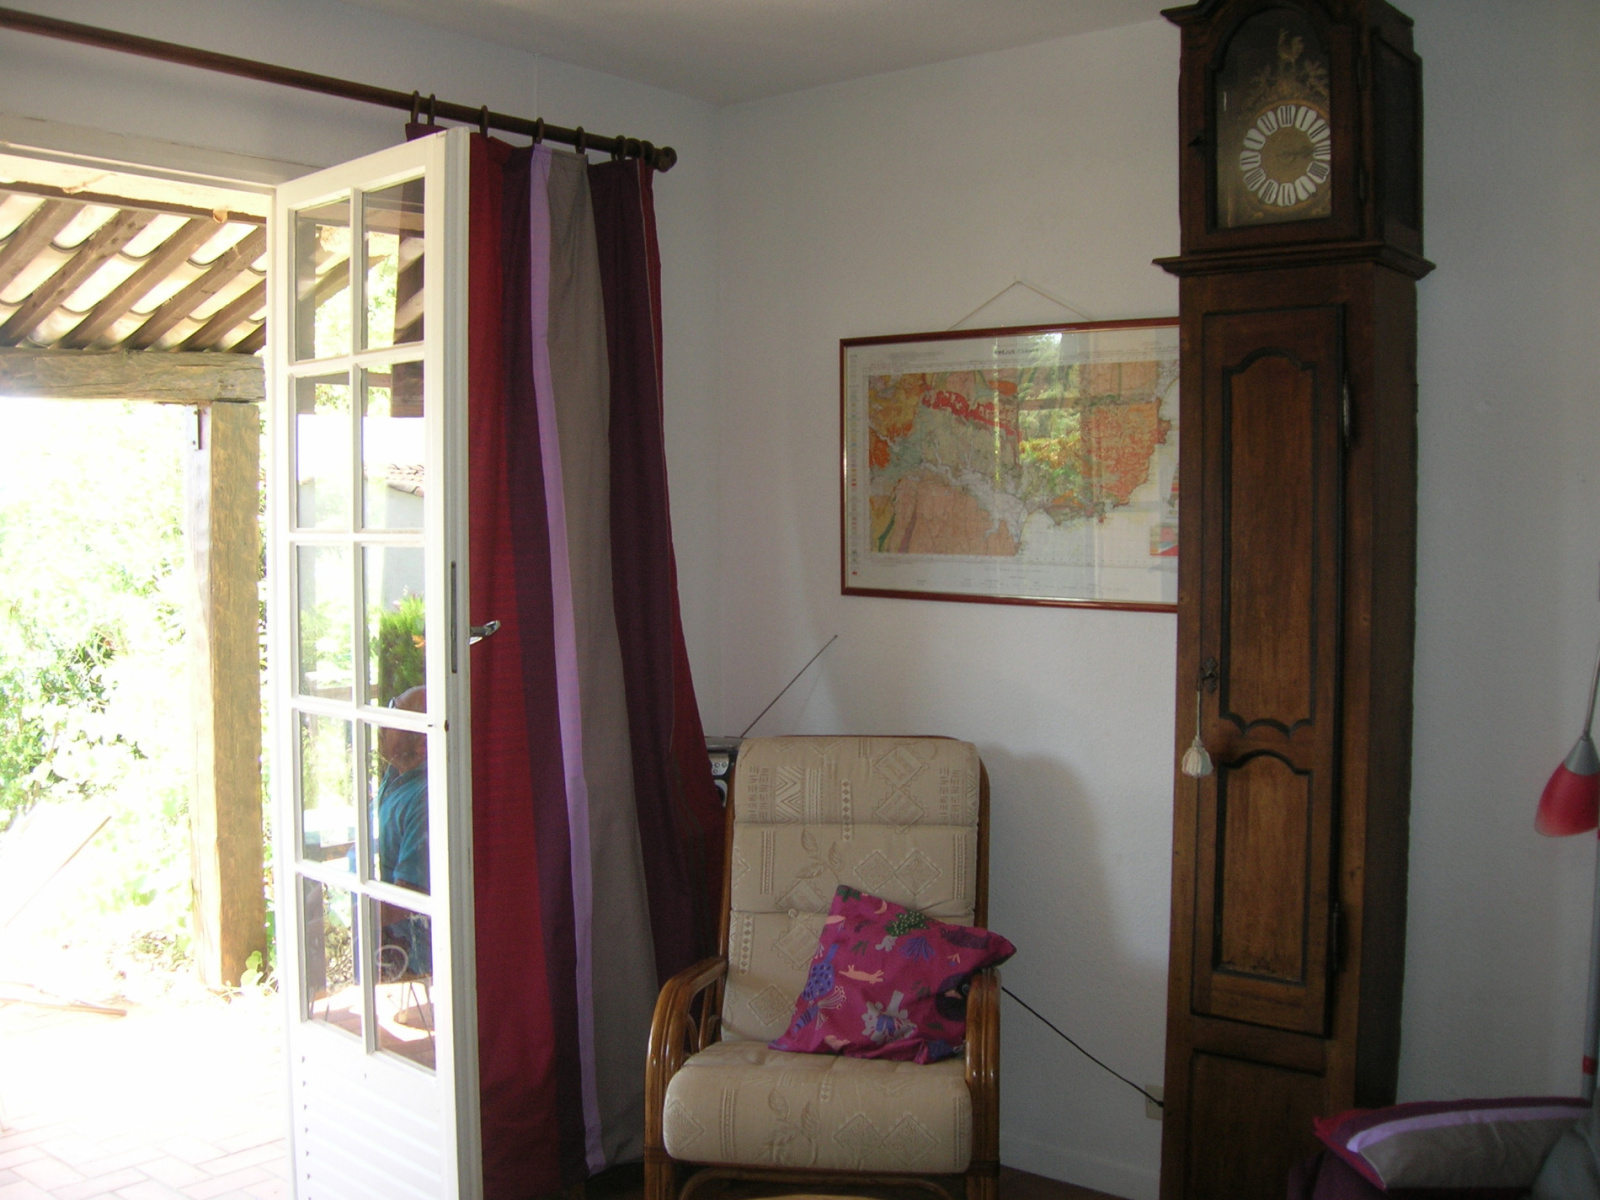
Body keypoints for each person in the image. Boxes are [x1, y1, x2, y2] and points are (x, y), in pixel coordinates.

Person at [376, 685, 430, 976]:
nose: (383, 720)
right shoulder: (397, 771)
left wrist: (358, 920)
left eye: (395, 713)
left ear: (421, 744)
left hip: (406, 951)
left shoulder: (424, 800)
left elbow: (408, 897)